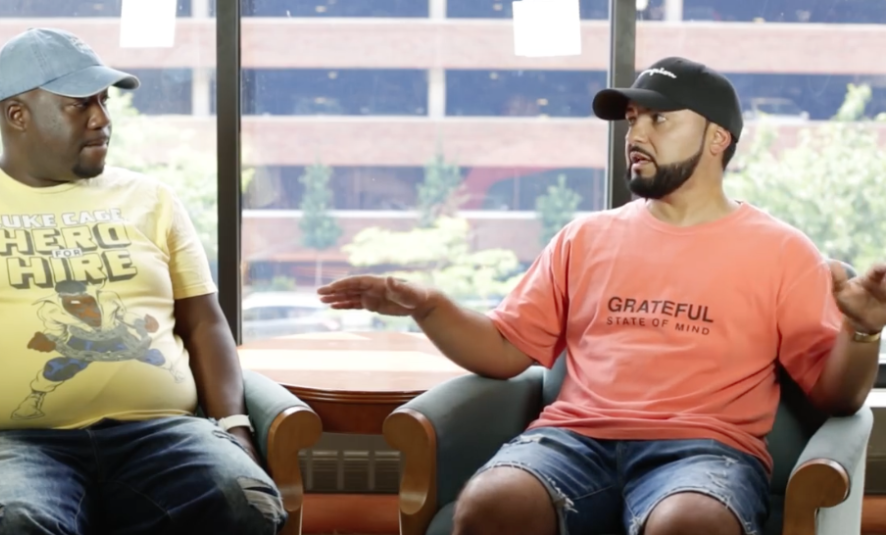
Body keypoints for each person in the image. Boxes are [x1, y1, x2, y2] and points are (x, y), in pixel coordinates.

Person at [318, 57, 886, 535]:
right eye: (633, 120)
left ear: (718, 138)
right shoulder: (585, 237)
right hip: (573, 439)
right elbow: (505, 350)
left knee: (689, 524)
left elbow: (835, 397)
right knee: (491, 504)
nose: (636, 136)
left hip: (705, 449)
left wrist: (862, 331)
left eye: (659, 119)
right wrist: (430, 307)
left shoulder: (783, 250)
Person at [0, 28, 285, 535]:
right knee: (12, 523)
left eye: (104, 101)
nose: (102, 118)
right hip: (7, 444)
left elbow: (204, 323)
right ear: (17, 114)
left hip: (164, 433)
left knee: (243, 501)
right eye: (79, 104)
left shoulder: (152, 199)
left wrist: (235, 427)